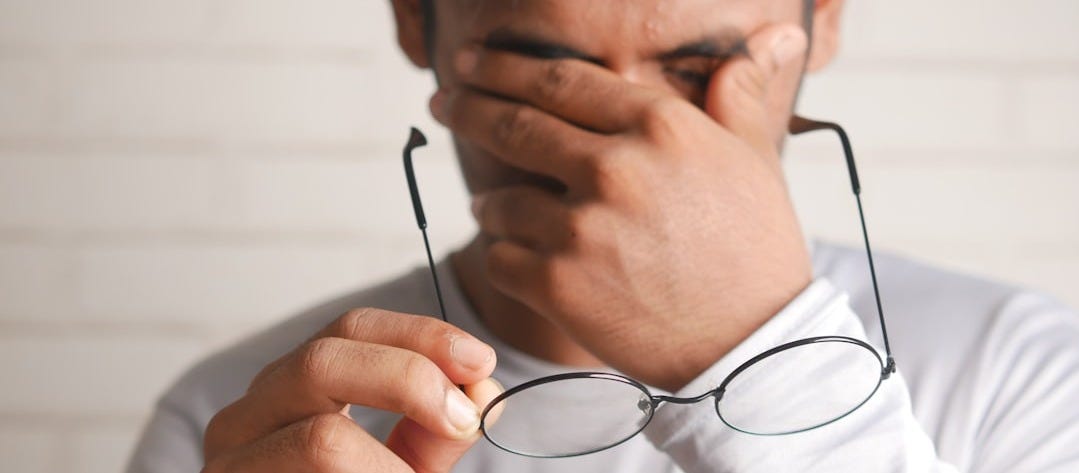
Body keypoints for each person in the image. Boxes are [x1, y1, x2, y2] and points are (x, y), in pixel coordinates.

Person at [126, 1, 1079, 472]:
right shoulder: (249, 421)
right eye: (541, 69)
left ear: (819, 19)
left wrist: (760, 349)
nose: (631, 140)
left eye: (700, 64)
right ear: (415, 22)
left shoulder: (1022, 375)